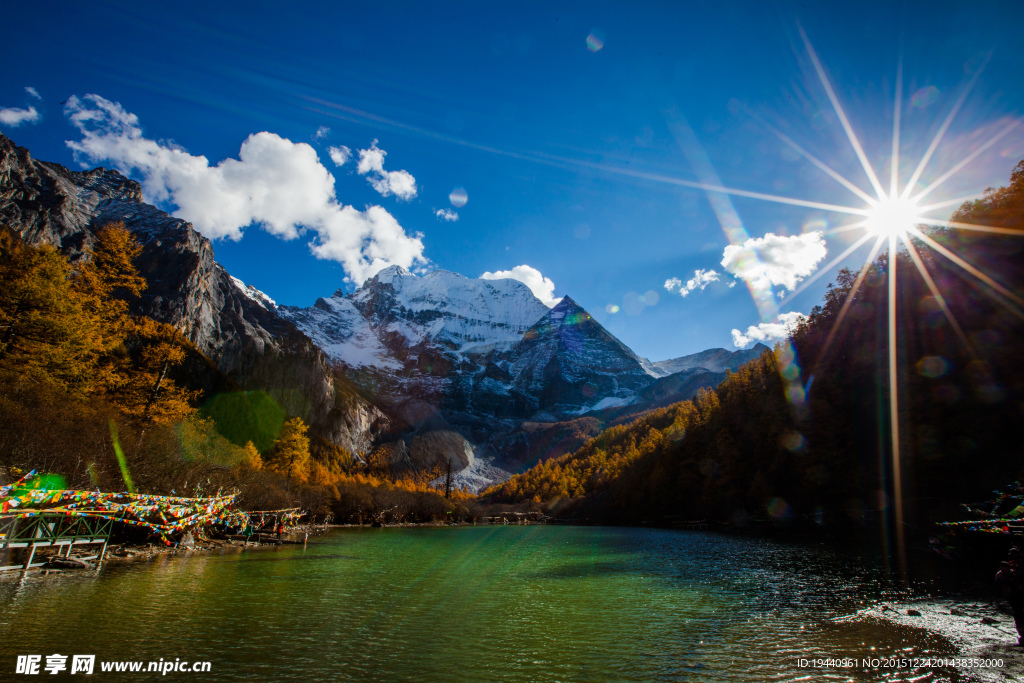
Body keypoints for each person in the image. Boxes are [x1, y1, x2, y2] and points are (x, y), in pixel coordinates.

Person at [996, 547, 1024, 645]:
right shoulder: (1005, 573)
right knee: (1018, 613)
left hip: (1016, 594)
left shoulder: (1014, 571)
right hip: (1013, 595)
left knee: (1019, 613)